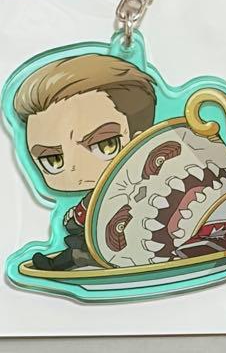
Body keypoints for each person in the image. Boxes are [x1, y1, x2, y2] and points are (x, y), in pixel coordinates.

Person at [11, 53, 157, 270]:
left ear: (139, 140)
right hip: (97, 244)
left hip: (140, 243)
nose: (74, 169)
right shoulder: (95, 198)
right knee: (76, 251)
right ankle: (57, 264)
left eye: (105, 145)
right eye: (53, 159)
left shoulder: (148, 188)